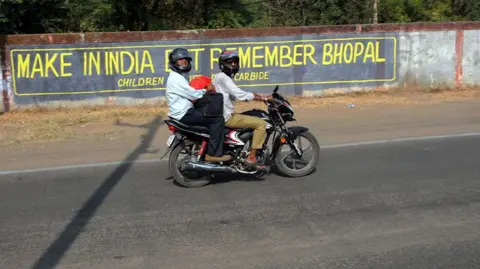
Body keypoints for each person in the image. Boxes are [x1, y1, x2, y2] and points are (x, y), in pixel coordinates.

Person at [166, 48, 231, 163]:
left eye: (186, 60)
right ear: (174, 62)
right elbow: (193, 94)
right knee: (217, 120)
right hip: (184, 114)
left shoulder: (179, 76)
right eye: (180, 60)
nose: (184, 62)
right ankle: (214, 153)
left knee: (209, 109)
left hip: (185, 111)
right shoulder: (176, 79)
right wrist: (206, 89)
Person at [212, 50, 273, 169]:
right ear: (222, 64)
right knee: (261, 124)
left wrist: (252, 96)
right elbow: (239, 94)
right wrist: (262, 98)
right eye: (230, 62)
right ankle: (252, 157)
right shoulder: (223, 78)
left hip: (223, 114)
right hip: (227, 117)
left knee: (252, 115)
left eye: (235, 62)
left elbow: (233, 95)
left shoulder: (220, 77)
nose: (233, 65)